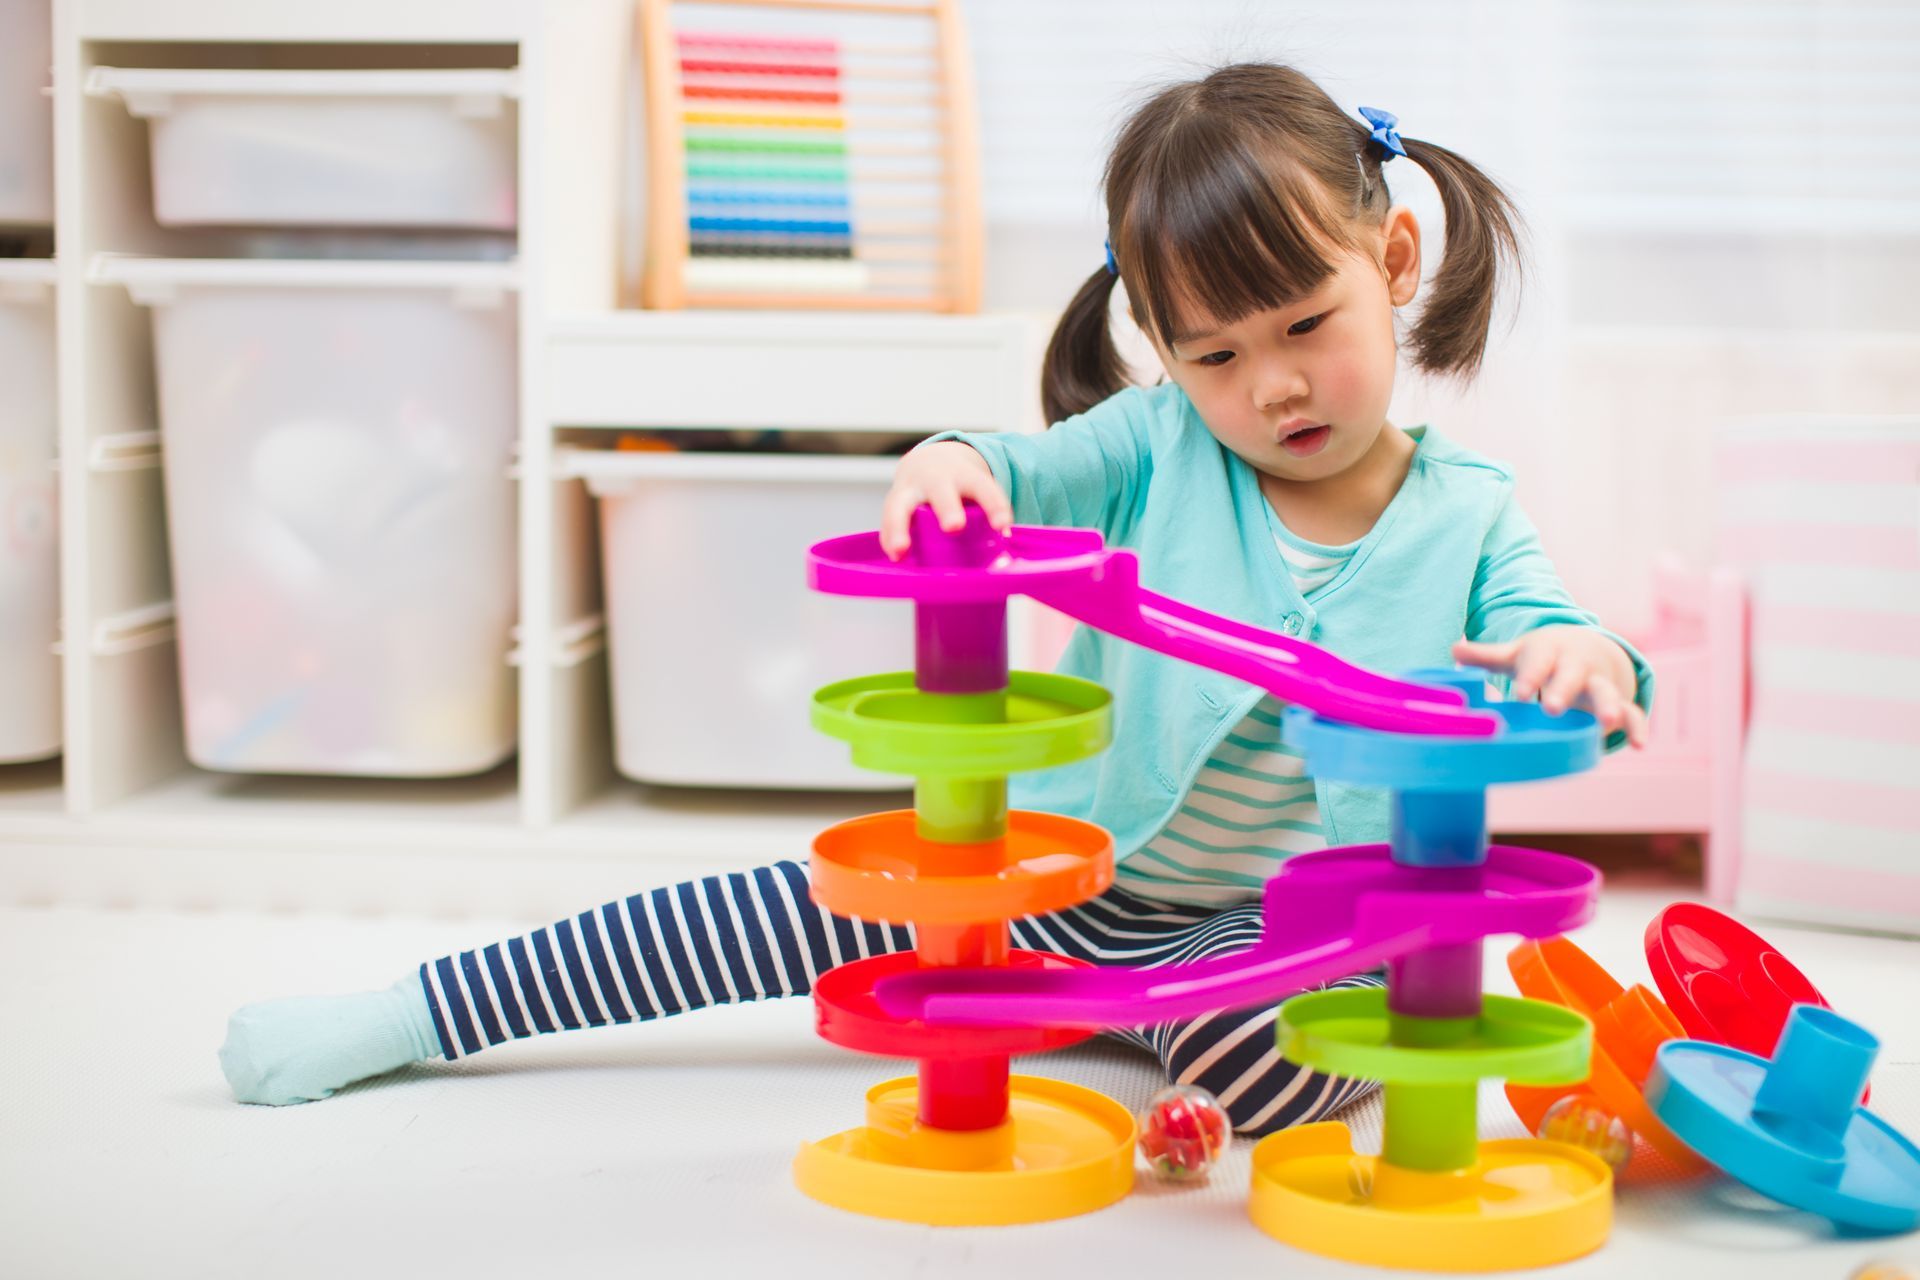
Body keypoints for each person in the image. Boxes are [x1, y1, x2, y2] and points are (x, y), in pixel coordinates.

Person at [218, 63, 1651, 1136]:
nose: (1269, 385)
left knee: (1290, 1029)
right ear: (1156, 347)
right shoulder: (1154, 446)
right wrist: (948, 466)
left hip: (1261, 923)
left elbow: (1547, 618)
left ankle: (1205, 1076)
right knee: (761, 909)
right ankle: (417, 1012)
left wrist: (1577, 654)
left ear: (1391, 266)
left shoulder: (1469, 506)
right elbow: (1014, 466)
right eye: (1212, 354)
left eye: (1305, 328)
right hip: (1056, 871)